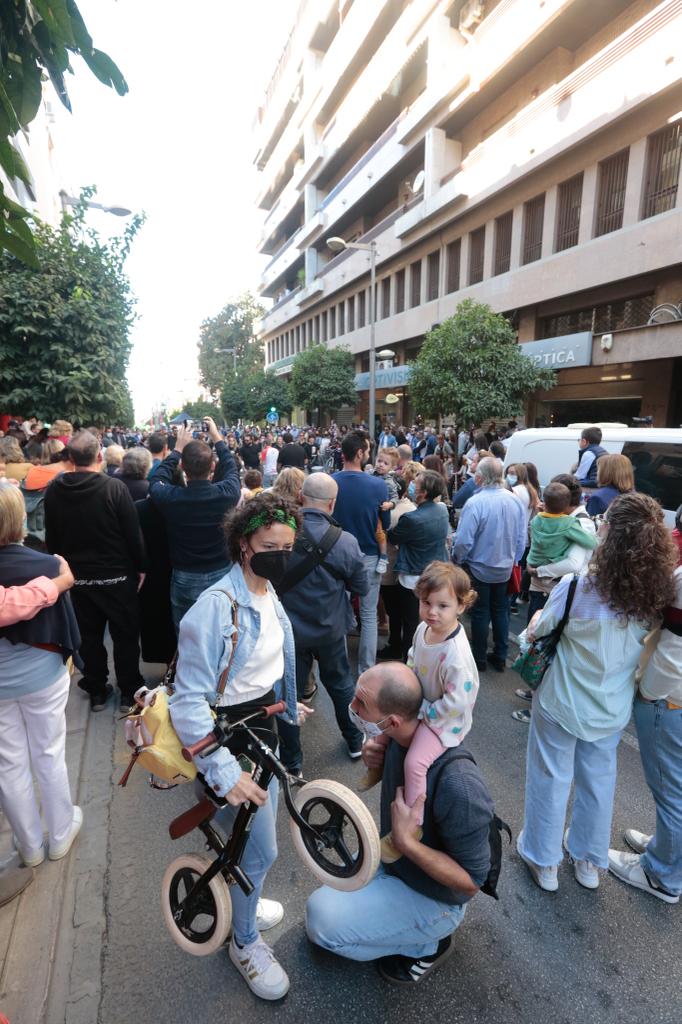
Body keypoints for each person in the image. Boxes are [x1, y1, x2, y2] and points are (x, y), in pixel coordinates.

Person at [170, 493, 309, 1000]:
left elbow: (264, 664)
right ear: (242, 544)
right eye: (270, 546)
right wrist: (224, 771)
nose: (281, 555)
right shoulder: (214, 607)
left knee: (247, 844)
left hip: (259, 726)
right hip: (224, 739)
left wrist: (285, 705)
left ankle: (242, 898)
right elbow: (188, 703)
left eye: (289, 546)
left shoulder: (268, 590)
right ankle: (244, 942)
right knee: (261, 845)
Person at [517, 493, 678, 893]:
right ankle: (589, 861)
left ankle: (544, 860)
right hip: (612, 705)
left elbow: (541, 630)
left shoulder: (576, 588)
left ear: (609, 535)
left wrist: (535, 621)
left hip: (562, 699)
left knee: (550, 777)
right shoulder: (653, 597)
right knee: (598, 781)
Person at [305, 661, 494, 984]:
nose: (351, 708)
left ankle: (428, 943)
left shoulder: (459, 785)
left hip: (438, 899)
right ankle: (401, 918)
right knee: (322, 904)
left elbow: (471, 882)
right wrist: (374, 763)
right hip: (395, 864)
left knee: (321, 925)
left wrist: (408, 844)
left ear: (391, 720)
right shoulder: (396, 738)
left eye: (360, 704)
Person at [368, 563, 479, 862]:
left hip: (443, 721)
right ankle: (377, 766)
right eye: (426, 603)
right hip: (423, 705)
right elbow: (413, 660)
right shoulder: (424, 630)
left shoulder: (455, 654)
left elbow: (457, 701)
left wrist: (422, 712)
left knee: (415, 762)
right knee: (386, 728)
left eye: (443, 605)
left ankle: (412, 824)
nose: (432, 611)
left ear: (461, 606)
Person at [0, 485, 83, 870]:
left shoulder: (48, 568)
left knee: (9, 762)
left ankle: (29, 845)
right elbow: (65, 627)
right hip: (42, 675)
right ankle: (60, 832)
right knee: (48, 753)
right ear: (18, 520)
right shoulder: (47, 565)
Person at [44, 430, 147, 710]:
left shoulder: (55, 489)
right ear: (99, 455)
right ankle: (129, 691)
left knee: (89, 638)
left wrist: (60, 571)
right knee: (125, 635)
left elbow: (51, 537)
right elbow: (132, 534)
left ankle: (97, 688)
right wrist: (141, 567)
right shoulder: (114, 488)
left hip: (78, 579)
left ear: (71, 458)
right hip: (116, 577)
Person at [608, 516, 682, 904]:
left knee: (671, 788)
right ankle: (667, 850)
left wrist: (651, 692)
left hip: (671, 691)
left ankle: (662, 874)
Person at [276, 474, 367, 773]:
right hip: (330, 629)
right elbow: (361, 588)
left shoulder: (281, 536)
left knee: (290, 692)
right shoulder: (346, 541)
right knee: (340, 686)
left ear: (301, 496)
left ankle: (292, 762)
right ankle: (354, 740)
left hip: (290, 632)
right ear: (332, 503)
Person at [513, 472, 596, 723]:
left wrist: (539, 570)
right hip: (547, 589)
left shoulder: (579, 522)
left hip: (558, 591)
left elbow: (573, 563)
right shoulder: (564, 519)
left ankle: (540, 706)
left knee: (548, 647)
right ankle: (535, 691)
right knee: (539, 643)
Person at [150, 418, 240, 629]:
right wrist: (216, 437)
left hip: (185, 576)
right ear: (212, 466)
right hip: (222, 573)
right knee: (222, 631)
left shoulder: (171, 497)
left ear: (182, 467)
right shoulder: (227, 493)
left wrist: (177, 449)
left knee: (186, 634)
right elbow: (231, 467)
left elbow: (156, 479)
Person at [452, 457, 526, 672]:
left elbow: (464, 540)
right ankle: (500, 655)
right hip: (504, 566)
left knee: (481, 612)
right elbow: (522, 537)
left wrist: (458, 559)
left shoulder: (476, 502)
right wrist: (514, 560)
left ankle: (479, 657)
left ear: (480, 477)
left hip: (479, 566)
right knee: (500, 610)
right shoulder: (514, 501)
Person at [332, 431, 390, 675]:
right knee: (368, 616)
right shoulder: (378, 485)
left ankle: (341, 665)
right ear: (359, 453)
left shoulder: (331, 482)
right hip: (367, 554)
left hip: (336, 554)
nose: (370, 455)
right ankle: (367, 668)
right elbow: (384, 524)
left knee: (340, 613)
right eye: (367, 451)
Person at [387, 471, 449, 662]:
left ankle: (408, 659)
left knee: (410, 621)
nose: (412, 485)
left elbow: (392, 536)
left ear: (423, 492)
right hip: (434, 571)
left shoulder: (412, 519)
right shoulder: (442, 509)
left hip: (412, 576)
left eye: (416, 483)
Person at [525, 482, 598, 596]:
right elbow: (591, 543)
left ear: (545, 502)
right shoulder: (569, 524)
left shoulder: (536, 519)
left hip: (533, 563)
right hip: (551, 576)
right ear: (566, 505)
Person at [378, 477, 417, 661]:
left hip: (391, 569)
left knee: (394, 611)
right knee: (403, 613)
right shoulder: (411, 507)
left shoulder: (393, 514)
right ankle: (401, 646)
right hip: (402, 570)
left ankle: (395, 644)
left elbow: (386, 537)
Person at [585, 453, 634, 517]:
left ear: (605, 472)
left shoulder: (598, 497)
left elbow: (590, 525)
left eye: (598, 469)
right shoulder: (635, 496)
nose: (597, 472)